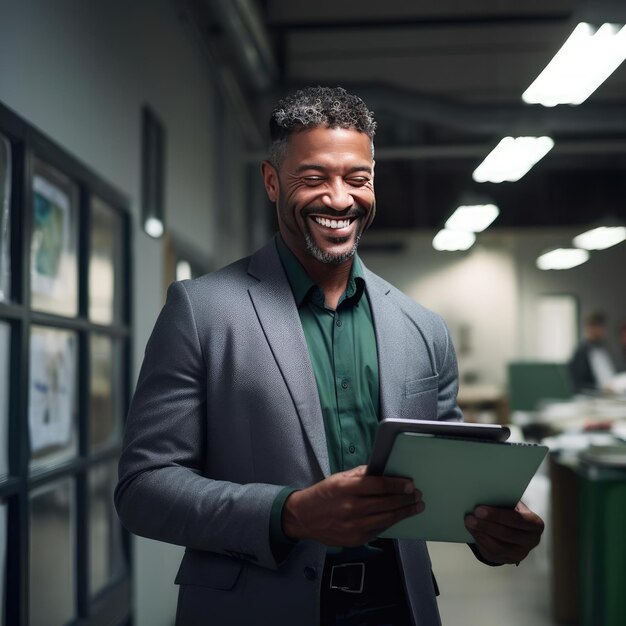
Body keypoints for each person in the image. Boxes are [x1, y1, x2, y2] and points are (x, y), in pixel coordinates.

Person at [115, 86, 544, 626]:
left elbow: (448, 484)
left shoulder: (423, 328)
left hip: (398, 608)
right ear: (272, 182)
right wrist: (288, 513)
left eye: (357, 179)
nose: (339, 199)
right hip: (255, 611)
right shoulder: (200, 311)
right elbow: (143, 489)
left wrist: (492, 530)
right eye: (313, 178)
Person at [568, 311, 617, 393]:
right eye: (593, 327)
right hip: (592, 396)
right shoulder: (581, 352)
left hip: (610, 393)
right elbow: (578, 384)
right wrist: (600, 388)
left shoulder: (605, 350)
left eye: (600, 327)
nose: (597, 331)